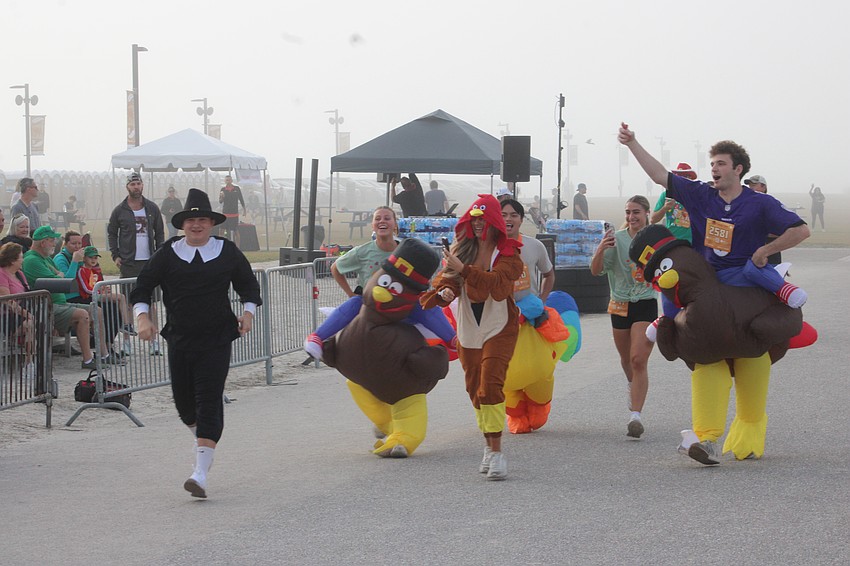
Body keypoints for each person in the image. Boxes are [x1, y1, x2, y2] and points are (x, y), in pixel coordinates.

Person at [618, 122, 811, 464]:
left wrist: (767, 251)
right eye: (713, 164)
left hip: (747, 289)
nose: (714, 170)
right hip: (707, 287)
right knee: (705, 355)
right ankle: (705, 438)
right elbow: (661, 175)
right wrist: (633, 143)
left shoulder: (760, 203)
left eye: (721, 164)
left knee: (752, 359)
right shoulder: (701, 195)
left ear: (738, 169)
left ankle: (749, 427)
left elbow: (801, 230)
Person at [130, 188, 262, 499]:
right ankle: (205, 441)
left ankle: (200, 472)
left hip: (217, 336)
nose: (197, 225)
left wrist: (248, 313)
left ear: (212, 223)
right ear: (183, 225)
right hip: (179, 336)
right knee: (184, 404)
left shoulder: (227, 251)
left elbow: (249, 286)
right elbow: (142, 288)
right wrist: (142, 318)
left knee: (208, 398)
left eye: (203, 219)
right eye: (192, 220)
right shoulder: (167, 253)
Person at [421, 194, 524, 480]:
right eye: (474, 220)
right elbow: (447, 282)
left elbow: (497, 284)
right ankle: (488, 447)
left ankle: (499, 452)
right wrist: (445, 292)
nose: (478, 225)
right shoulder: (461, 251)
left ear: (492, 221)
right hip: (469, 326)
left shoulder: (508, 253)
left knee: (491, 382)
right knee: (474, 389)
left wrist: (463, 269)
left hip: (499, 325)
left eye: (483, 220)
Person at [303, 206, 455, 360]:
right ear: (373, 225)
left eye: (387, 218)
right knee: (355, 302)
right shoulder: (362, 251)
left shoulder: (407, 249)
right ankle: (317, 338)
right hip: (372, 304)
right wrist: (350, 293)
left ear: (395, 224)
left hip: (402, 304)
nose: (382, 221)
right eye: (378, 218)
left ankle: (453, 340)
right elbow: (335, 268)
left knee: (425, 306)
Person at [590, 195, 656, 439]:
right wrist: (599, 249)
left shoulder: (654, 238)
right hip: (619, 303)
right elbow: (596, 270)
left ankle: (635, 416)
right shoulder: (615, 240)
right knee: (626, 359)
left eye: (636, 212)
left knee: (639, 359)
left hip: (645, 302)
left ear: (647, 213)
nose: (631, 217)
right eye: (628, 212)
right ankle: (633, 385)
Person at [22, 225, 114, 370]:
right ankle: (88, 359)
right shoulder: (32, 260)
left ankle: (104, 354)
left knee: (97, 310)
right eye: (52, 240)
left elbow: (62, 277)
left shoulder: (45, 258)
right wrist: (74, 262)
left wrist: (60, 275)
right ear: (43, 242)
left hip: (60, 303)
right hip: (47, 306)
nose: (54, 244)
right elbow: (64, 282)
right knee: (83, 315)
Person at [107, 171, 165, 355]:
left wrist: (160, 254)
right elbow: (112, 233)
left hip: (149, 261)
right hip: (129, 261)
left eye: (138, 184)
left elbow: (160, 232)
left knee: (152, 302)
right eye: (132, 184)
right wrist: (115, 255)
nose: (136, 187)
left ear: (142, 185)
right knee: (129, 303)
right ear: (127, 187)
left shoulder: (152, 208)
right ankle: (127, 342)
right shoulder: (120, 210)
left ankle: (154, 341)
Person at [651, 162, 696, 317]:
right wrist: (665, 208)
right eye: (678, 176)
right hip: (672, 246)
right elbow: (653, 219)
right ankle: (669, 317)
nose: (681, 179)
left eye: (685, 176)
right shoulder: (666, 195)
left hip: (694, 246)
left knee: (692, 280)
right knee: (668, 279)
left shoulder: (697, 194)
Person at [76, 246, 135, 337]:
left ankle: (123, 323)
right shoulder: (82, 271)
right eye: (90, 257)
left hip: (97, 294)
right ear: (84, 258)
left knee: (118, 300)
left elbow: (97, 286)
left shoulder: (93, 271)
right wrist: (99, 290)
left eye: (95, 257)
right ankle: (125, 324)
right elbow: (86, 289)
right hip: (91, 296)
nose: (93, 260)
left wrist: (104, 289)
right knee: (121, 297)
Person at [0, 242, 36, 378]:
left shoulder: (20, 274)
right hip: (6, 316)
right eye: (21, 257)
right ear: (12, 259)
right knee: (30, 325)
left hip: (22, 313)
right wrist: (27, 314)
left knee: (38, 322)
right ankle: (28, 363)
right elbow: (8, 300)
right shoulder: (1, 273)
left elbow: (27, 293)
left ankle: (33, 361)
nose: (23, 260)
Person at [744, 175, 782, 265]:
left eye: (754, 185)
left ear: (763, 187)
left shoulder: (771, 204)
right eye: (749, 186)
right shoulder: (746, 205)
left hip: (770, 254)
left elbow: (781, 231)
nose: (750, 188)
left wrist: (759, 232)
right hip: (750, 255)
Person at [218, 175, 246, 247]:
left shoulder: (236, 188)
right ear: (225, 181)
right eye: (226, 180)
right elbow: (220, 201)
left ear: (231, 181)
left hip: (234, 213)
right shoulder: (223, 189)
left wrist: (244, 209)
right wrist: (222, 197)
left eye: (229, 180)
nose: (228, 181)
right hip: (225, 213)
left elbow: (241, 199)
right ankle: (221, 246)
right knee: (221, 230)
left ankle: (237, 248)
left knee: (236, 231)